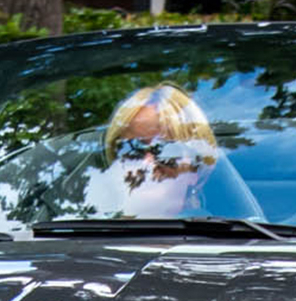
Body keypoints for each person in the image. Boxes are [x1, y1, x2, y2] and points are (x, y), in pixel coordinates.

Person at [88, 84, 221, 219]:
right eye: (130, 148)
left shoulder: (223, 238)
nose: (146, 163)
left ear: (195, 169)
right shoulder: (82, 231)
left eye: (166, 150)